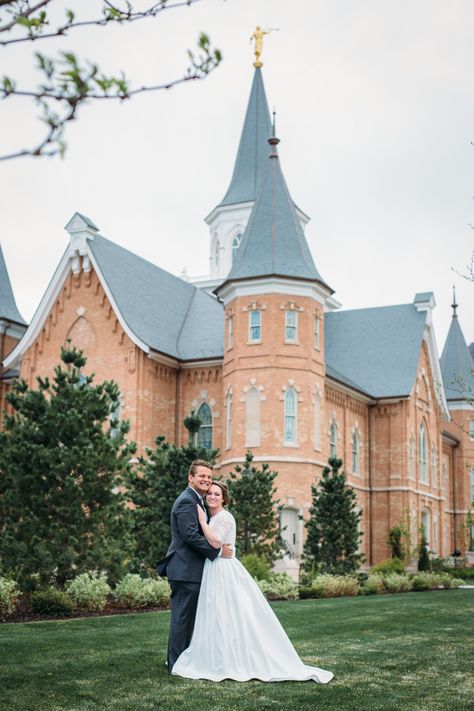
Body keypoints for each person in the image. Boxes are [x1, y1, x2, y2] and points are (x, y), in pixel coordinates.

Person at [172, 481, 333, 683]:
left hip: (224, 570)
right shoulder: (214, 516)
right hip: (214, 568)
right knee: (215, 613)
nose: (212, 496)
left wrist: (203, 523)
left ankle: (230, 659)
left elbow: (215, 542)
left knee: (227, 613)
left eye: (217, 494)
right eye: (210, 493)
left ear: (224, 498)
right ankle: (216, 656)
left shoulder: (224, 517)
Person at [156, 460, 233, 670]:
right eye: (202, 476)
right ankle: (176, 664)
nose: (206, 479)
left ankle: (183, 659)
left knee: (189, 619)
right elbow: (190, 536)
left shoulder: (198, 500)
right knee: (182, 618)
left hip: (192, 570)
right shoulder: (186, 501)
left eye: (209, 476)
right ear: (191, 478)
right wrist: (217, 552)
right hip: (184, 570)